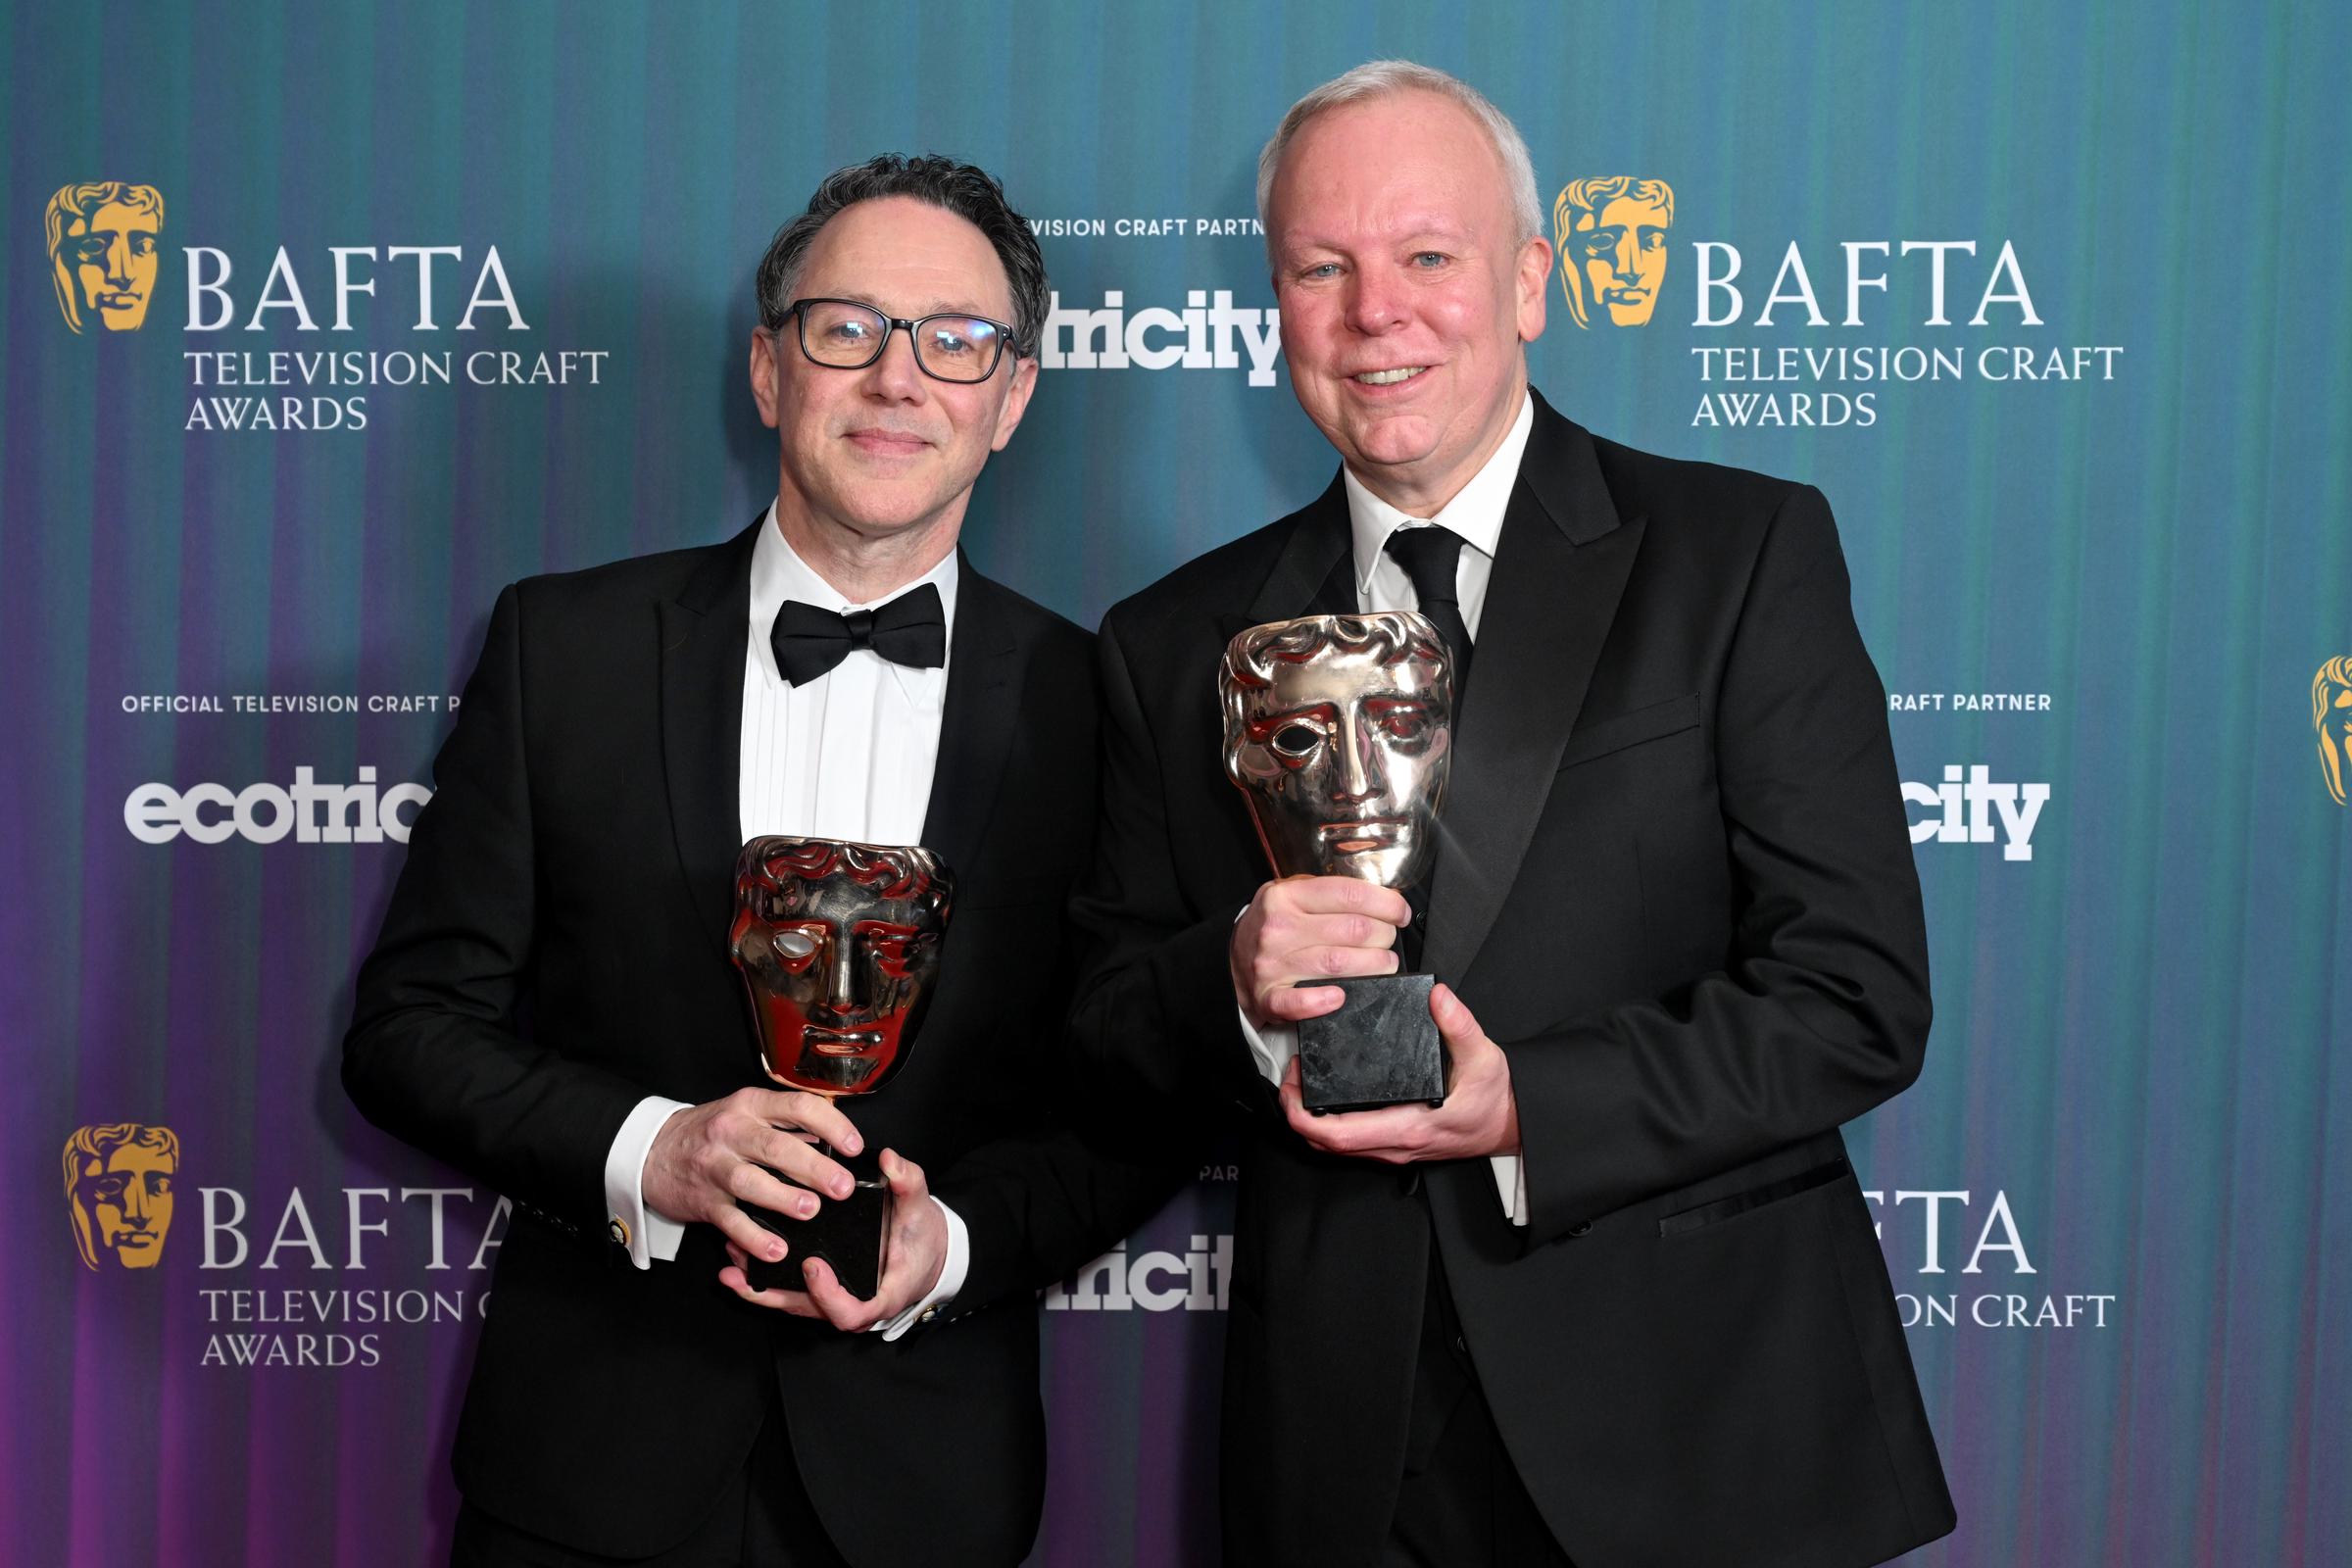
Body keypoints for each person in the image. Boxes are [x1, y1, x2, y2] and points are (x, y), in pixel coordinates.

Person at [1071, 61, 1956, 1567]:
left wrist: (1528, 1104)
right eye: (1320, 268)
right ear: (1272, 303)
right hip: (1348, 1463)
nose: (1375, 312)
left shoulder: (1739, 554)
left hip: (1699, 1433)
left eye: (1428, 256)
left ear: (1533, 282)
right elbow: (1105, 1025)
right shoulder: (1175, 641)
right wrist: (1226, 981)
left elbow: (1855, 1001)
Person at [346, 154, 1173, 1568]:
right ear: (768, 369)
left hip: (921, 1489)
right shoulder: (567, 653)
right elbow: (410, 1033)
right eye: (846, 327)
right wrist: (650, 1151)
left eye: (955, 341)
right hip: (580, 1476)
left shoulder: (1105, 704)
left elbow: (1133, 1100)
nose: (898, 379)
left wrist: (953, 1245)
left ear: (1014, 398)